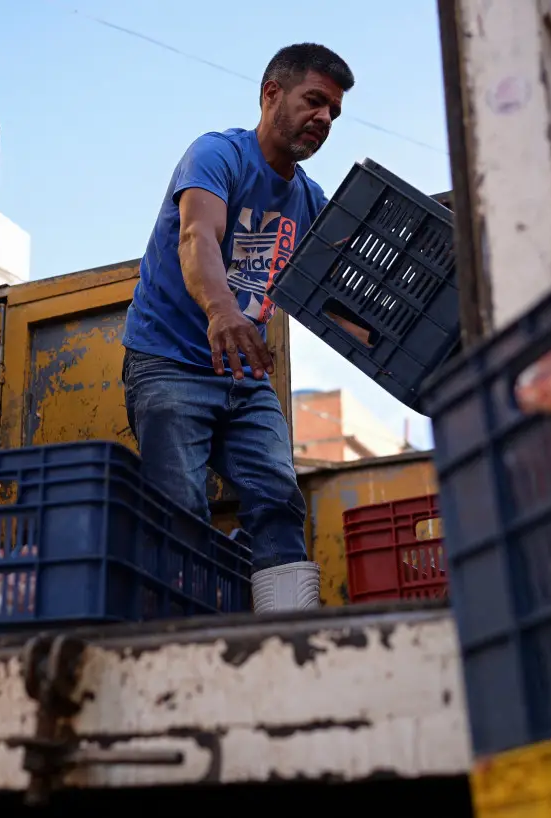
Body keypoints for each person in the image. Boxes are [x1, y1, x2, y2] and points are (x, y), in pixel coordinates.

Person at [121, 43, 355, 613]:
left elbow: (338, 299)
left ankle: (286, 633)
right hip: (170, 362)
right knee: (180, 509)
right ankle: (188, 637)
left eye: (333, 112)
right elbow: (197, 235)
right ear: (271, 93)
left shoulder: (310, 201)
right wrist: (223, 311)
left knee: (278, 493)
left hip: (244, 378)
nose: (324, 119)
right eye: (315, 101)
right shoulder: (217, 155)